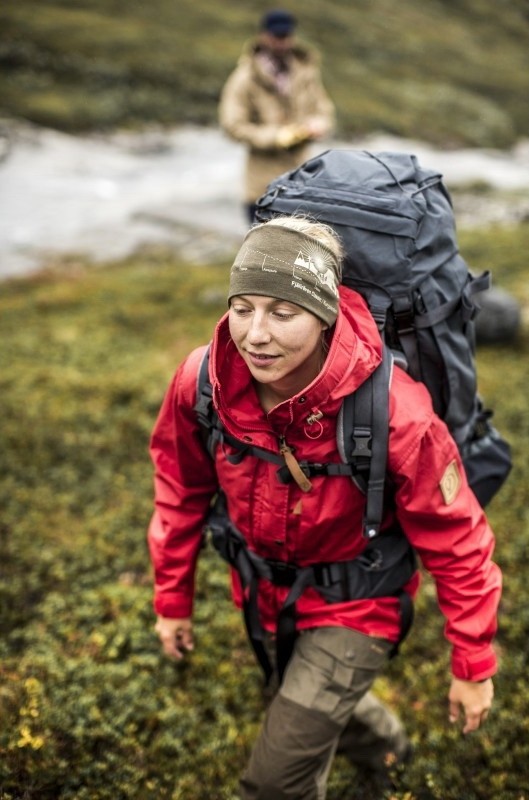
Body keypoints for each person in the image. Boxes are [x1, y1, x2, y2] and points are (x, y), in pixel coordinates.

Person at [148, 216, 502, 799]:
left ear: (326, 313)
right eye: (243, 307)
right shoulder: (202, 381)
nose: (255, 334)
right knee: (292, 695)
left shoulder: (395, 410)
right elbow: (178, 490)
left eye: (282, 313)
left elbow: (457, 537)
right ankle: (387, 748)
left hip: (360, 603)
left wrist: (473, 661)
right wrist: (171, 597)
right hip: (260, 592)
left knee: (273, 783)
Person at [218, 10, 335, 222]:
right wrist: (277, 137)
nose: (282, 42)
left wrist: (319, 124)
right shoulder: (244, 79)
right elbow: (232, 125)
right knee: (264, 253)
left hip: (303, 182)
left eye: (286, 36)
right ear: (263, 36)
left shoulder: (306, 72)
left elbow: (324, 110)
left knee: (304, 253)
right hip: (262, 187)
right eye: (276, 36)